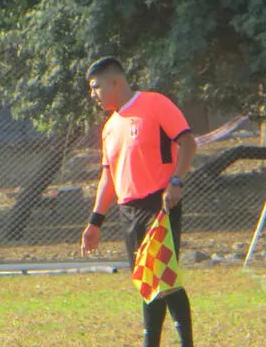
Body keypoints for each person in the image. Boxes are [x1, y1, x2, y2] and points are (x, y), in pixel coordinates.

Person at [80, 57, 197, 347]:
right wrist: (95, 222)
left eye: (96, 87)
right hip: (128, 210)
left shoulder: (155, 104)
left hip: (160, 204)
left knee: (163, 276)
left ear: (115, 83)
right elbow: (108, 178)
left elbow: (188, 143)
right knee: (146, 279)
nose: (93, 94)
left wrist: (176, 181)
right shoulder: (109, 127)